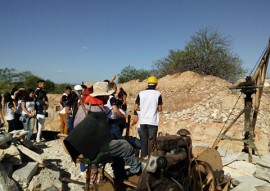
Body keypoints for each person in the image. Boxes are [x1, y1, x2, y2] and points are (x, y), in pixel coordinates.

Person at [64, 81, 141, 180]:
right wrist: (95, 167)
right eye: (107, 95)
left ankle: (119, 175)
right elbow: (95, 139)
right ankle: (136, 170)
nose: (109, 97)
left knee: (118, 149)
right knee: (126, 146)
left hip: (80, 144)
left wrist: (117, 121)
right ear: (102, 96)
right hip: (90, 147)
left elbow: (99, 123)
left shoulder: (88, 106)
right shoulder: (97, 110)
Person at [134, 76, 163, 159]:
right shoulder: (158, 94)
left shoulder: (141, 93)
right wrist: (153, 108)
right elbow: (160, 109)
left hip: (143, 121)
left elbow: (136, 108)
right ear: (156, 84)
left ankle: (143, 158)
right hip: (152, 122)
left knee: (144, 141)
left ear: (148, 84)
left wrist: (143, 109)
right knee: (152, 142)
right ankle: (151, 159)